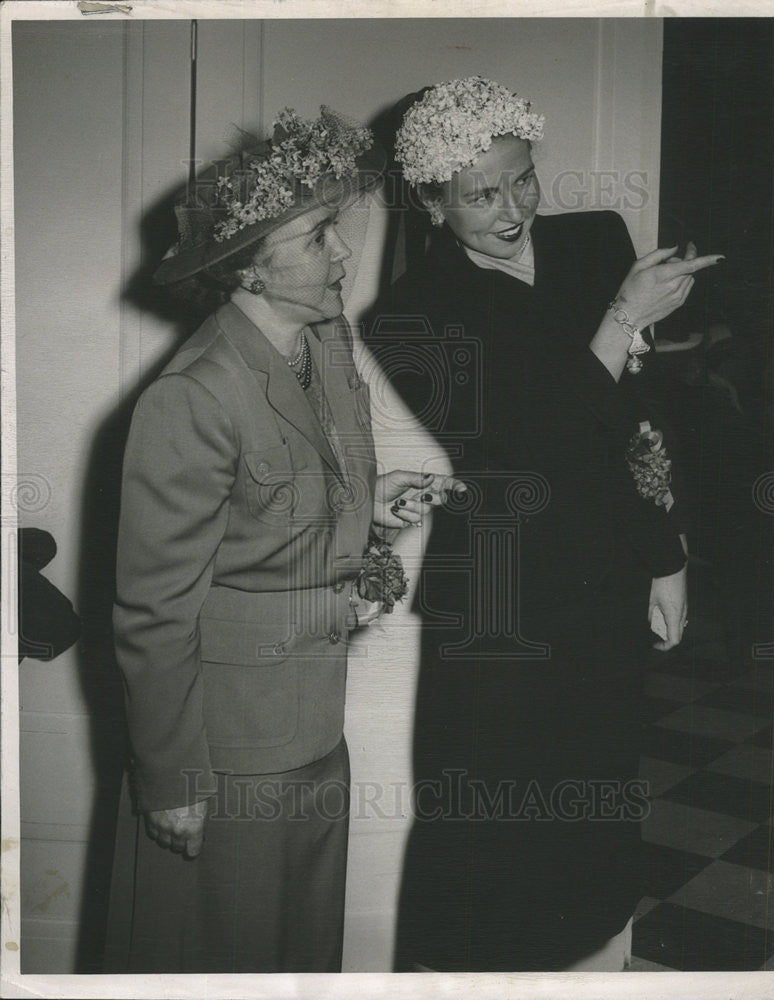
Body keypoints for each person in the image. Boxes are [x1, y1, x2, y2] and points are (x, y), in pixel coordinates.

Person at [363, 77, 723, 972]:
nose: (512, 206)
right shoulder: (406, 318)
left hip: (599, 586)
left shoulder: (596, 240)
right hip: (501, 606)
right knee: (489, 828)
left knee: (592, 814)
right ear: (432, 203)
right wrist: (621, 319)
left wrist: (665, 554)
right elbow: (523, 450)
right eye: (480, 195)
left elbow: (641, 420)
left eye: (520, 178)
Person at [103, 107, 462, 974]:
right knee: (223, 958)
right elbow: (153, 610)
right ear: (247, 273)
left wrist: (370, 504)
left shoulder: (323, 339)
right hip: (227, 752)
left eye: (333, 228)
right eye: (314, 237)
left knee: (300, 955)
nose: (342, 254)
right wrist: (174, 783)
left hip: (313, 726)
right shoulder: (190, 397)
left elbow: (286, 491)